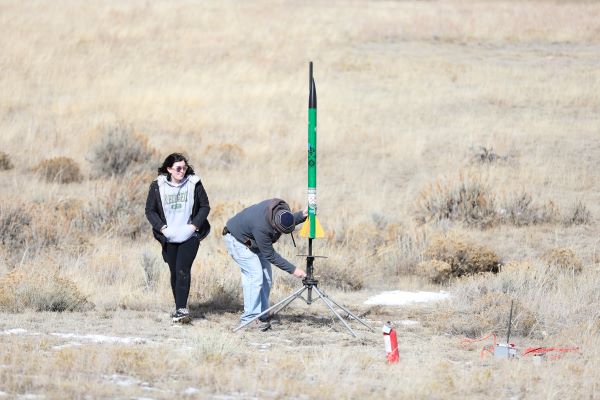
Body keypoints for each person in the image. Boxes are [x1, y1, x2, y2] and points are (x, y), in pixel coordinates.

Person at [223, 198, 307, 331]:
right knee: (254, 275)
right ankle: (249, 319)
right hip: (237, 240)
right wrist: (293, 270)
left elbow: (288, 220)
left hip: (254, 241)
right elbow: (270, 255)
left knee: (266, 277)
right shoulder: (261, 226)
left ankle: (262, 315)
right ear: (274, 225)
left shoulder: (282, 210)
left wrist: (301, 216)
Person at [145, 153, 210, 323]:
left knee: (183, 269)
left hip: (189, 235)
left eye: (184, 167)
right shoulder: (158, 185)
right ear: (169, 169)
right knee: (174, 271)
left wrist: (194, 226)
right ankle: (178, 307)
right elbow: (149, 210)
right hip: (168, 236)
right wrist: (162, 228)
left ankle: (182, 310)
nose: (182, 171)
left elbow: (204, 206)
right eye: (178, 168)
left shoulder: (194, 183)